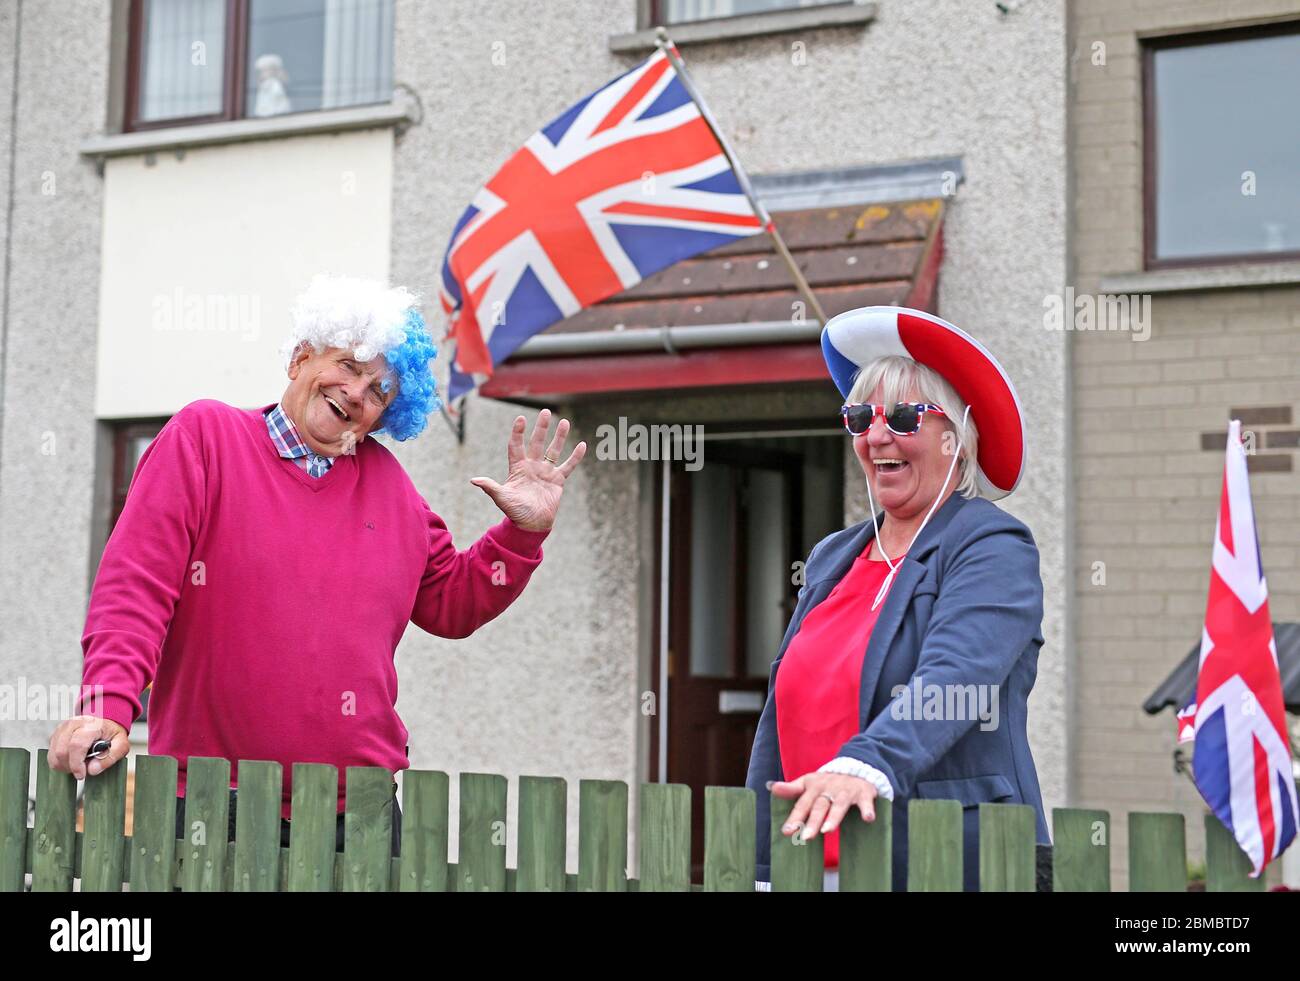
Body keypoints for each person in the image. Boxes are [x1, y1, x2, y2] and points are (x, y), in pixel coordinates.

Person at [47, 275, 586, 863]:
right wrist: (107, 703)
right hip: (211, 799)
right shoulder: (206, 438)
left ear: (385, 416)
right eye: (350, 366)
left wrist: (522, 533)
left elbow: (452, 602)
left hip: (359, 814)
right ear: (302, 357)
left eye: (380, 391)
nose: (358, 393)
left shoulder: (393, 491)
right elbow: (136, 588)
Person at [745, 305, 1049, 891]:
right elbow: (778, 719)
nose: (877, 435)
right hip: (812, 867)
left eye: (906, 416)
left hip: (945, 862)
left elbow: (958, 680)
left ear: (956, 438)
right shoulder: (834, 555)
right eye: (861, 416)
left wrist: (867, 764)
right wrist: (763, 858)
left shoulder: (990, 544)